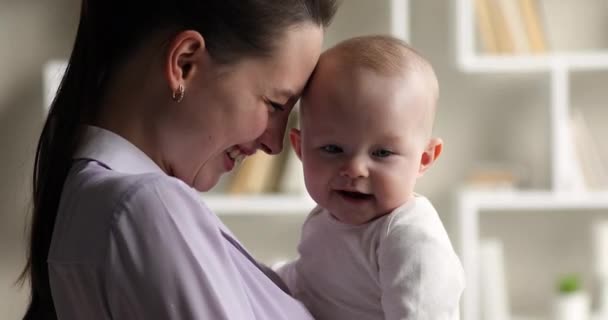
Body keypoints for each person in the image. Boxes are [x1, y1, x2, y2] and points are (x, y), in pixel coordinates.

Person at [20, 0, 337, 319]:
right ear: (184, 63)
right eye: (274, 104)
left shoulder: (91, 201)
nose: (274, 144)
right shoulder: (144, 206)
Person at [276, 35, 466, 320]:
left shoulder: (410, 239)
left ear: (423, 159)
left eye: (382, 153)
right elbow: (307, 281)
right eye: (332, 149)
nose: (354, 169)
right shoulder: (324, 217)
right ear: (300, 148)